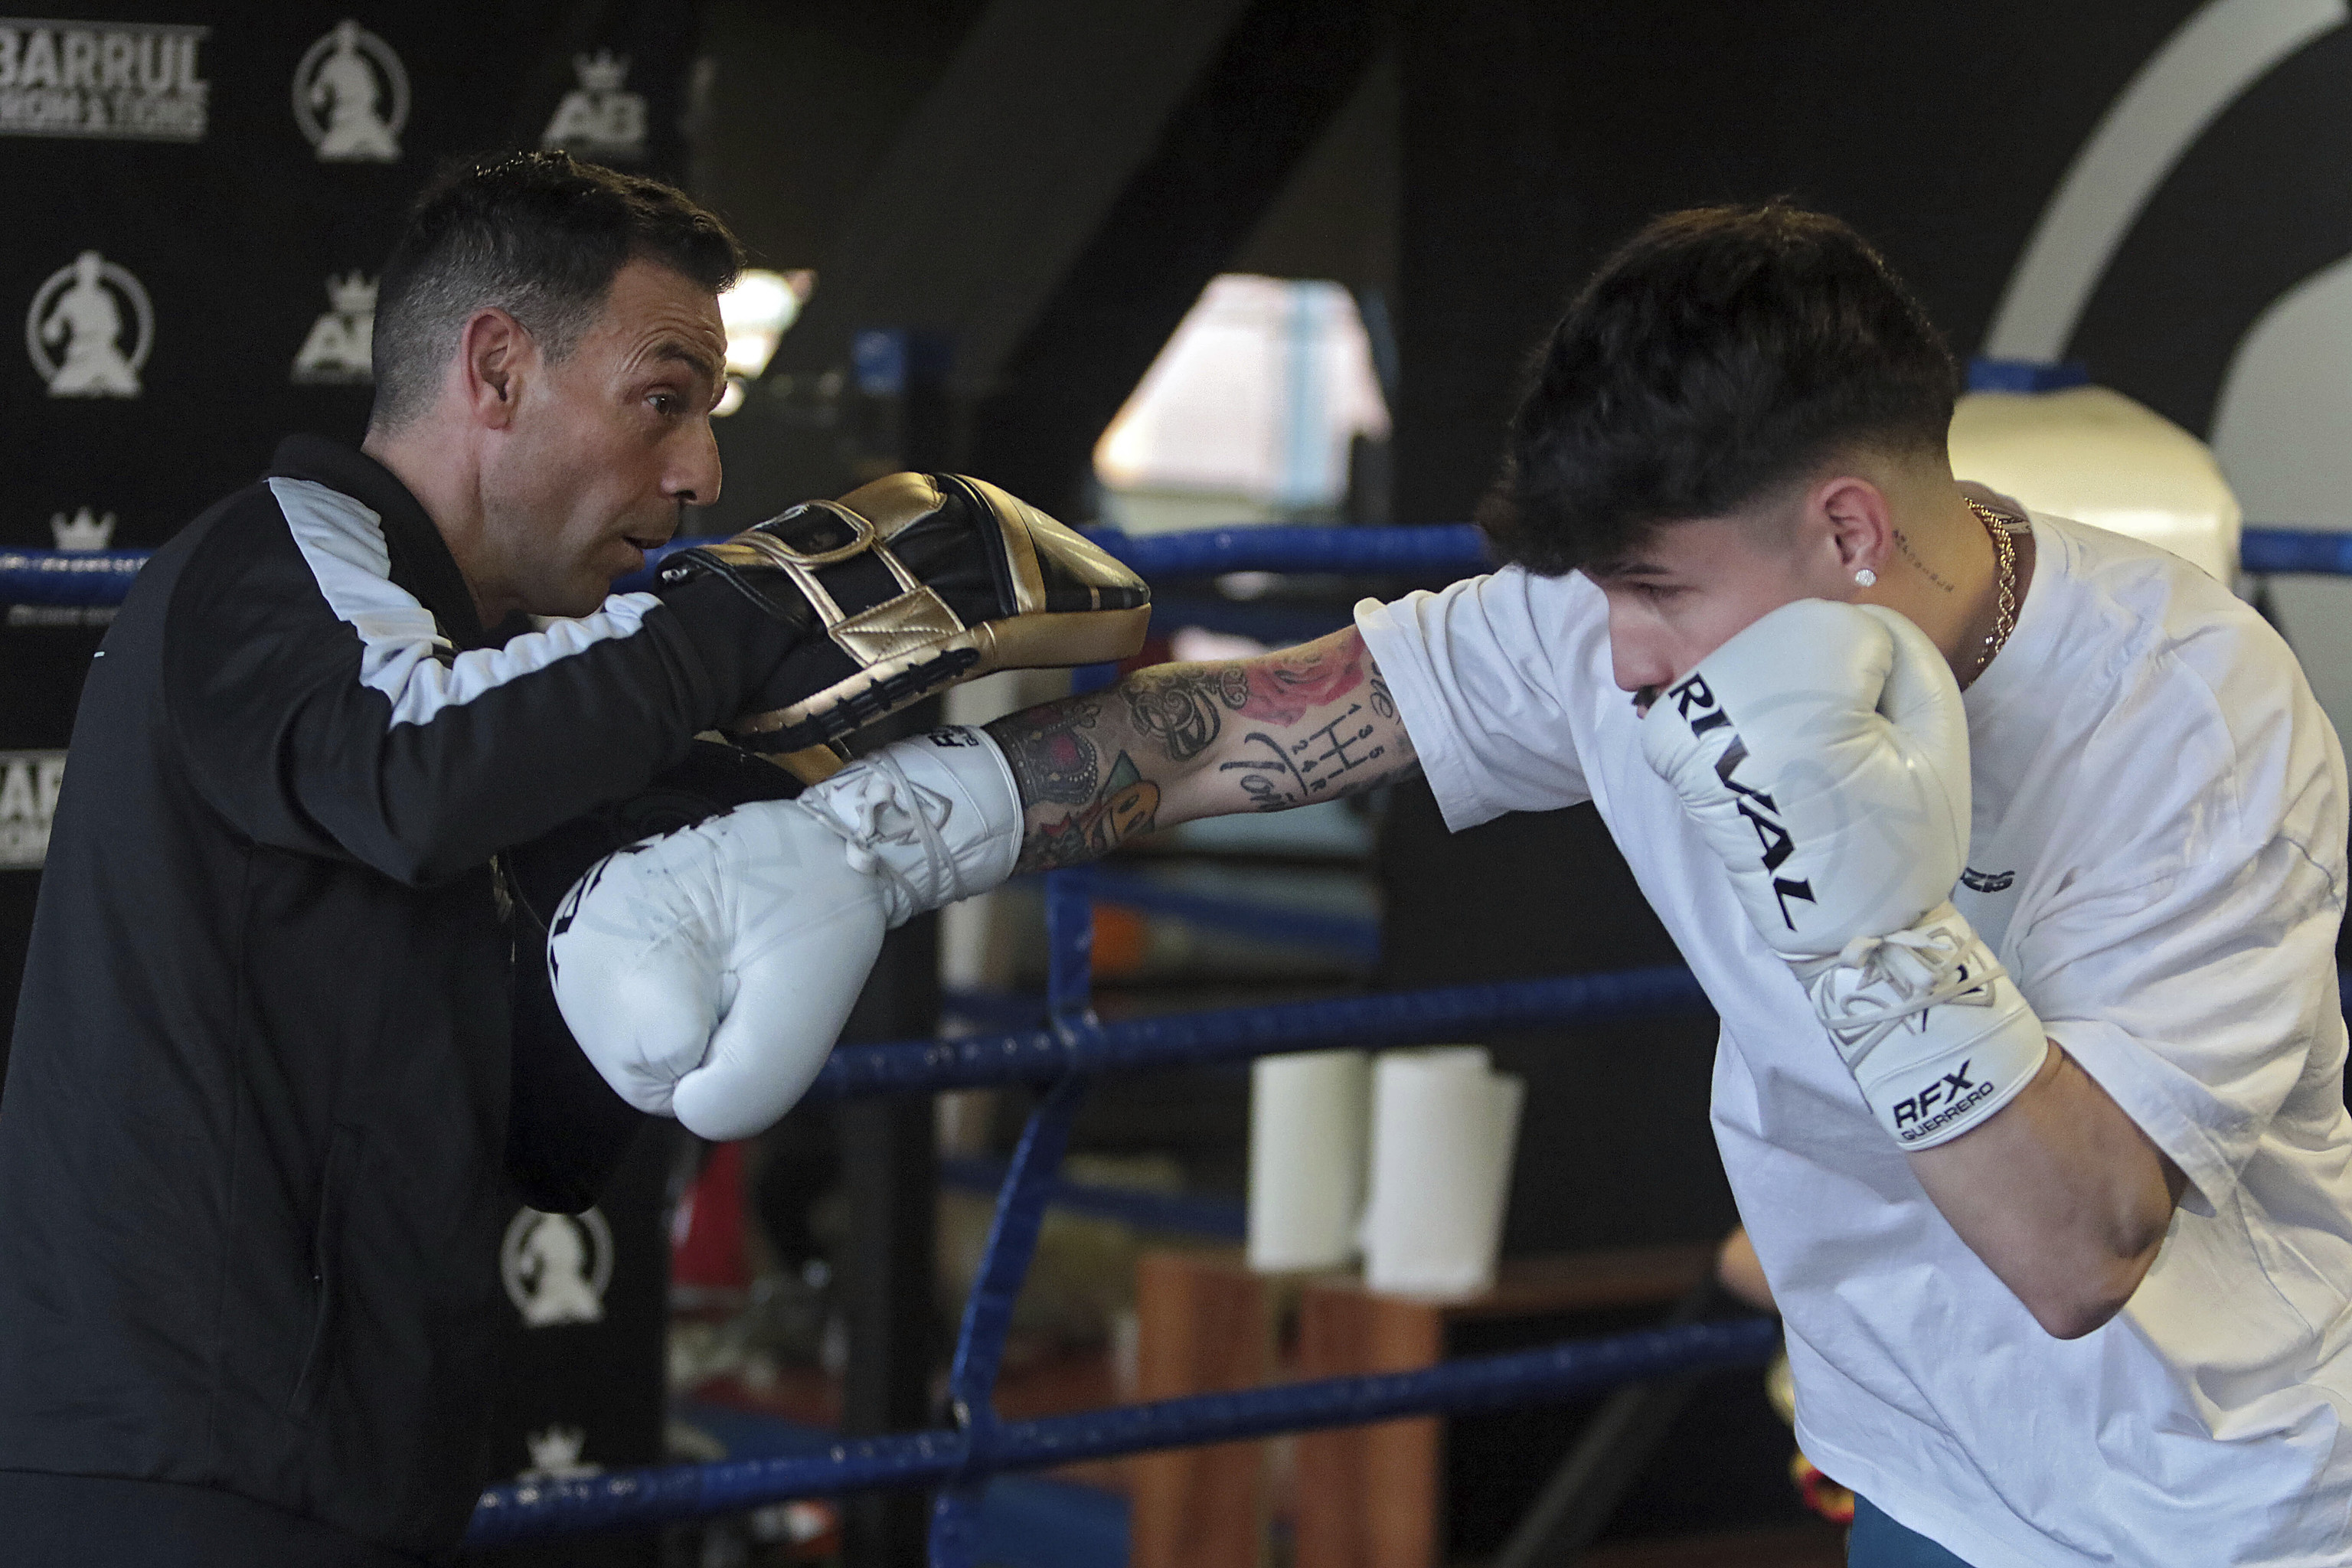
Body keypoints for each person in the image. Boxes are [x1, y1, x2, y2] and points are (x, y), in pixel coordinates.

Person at [567, 204, 2352, 1565]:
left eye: (1660, 595)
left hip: (2201, 1502)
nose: (1626, 663)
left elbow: (2081, 1249)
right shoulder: (1615, 619)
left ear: (1852, 532)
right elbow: (1235, 729)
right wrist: (867, 840)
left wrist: (1875, 919)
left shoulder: (2187, 714)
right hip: (1915, 1467)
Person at [0, 149, 1143, 1567]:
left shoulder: (520, 699)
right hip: (167, 1472)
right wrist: (738, 616)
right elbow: (411, 769)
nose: (703, 471)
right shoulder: (269, 564)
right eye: (663, 403)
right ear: (494, 372)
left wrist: (698, 956)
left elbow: (536, 1131)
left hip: (359, 1474)